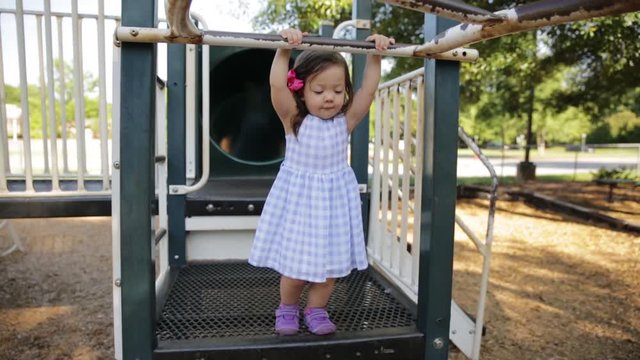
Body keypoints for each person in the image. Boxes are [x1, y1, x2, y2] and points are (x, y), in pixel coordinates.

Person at [248, 28, 394, 336]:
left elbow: (368, 91)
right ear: (301, 91)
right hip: (300, 206)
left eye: (338, 90)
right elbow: (276, 85)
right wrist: (284, 49)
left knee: (327, 270)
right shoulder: (293, 120)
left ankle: (316, 310)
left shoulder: (345, 122)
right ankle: (287, 307)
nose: (329, 97)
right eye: (319, 90)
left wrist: (375, 55)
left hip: (333, 206)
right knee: (295, 268)